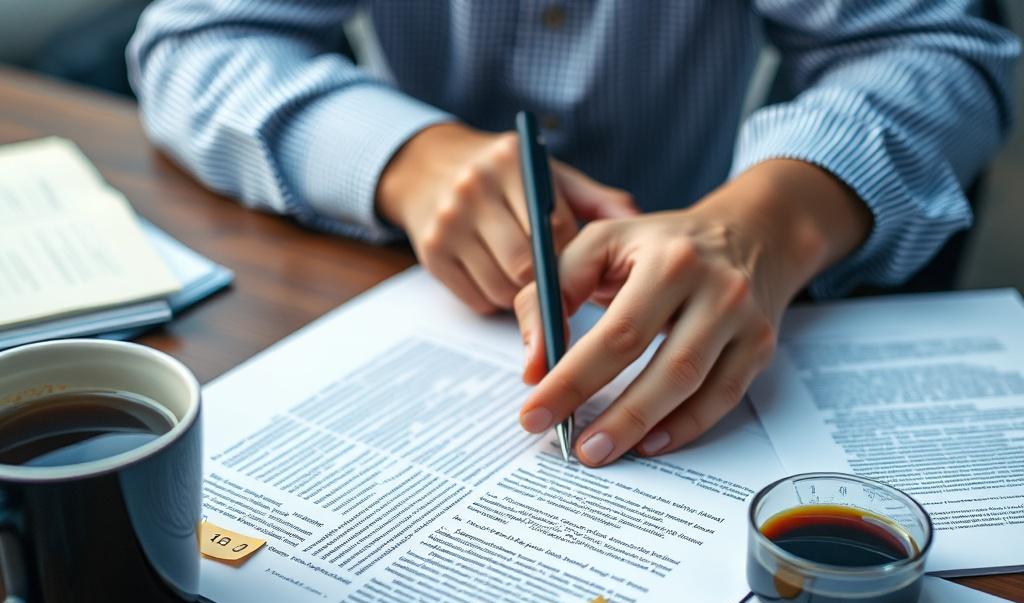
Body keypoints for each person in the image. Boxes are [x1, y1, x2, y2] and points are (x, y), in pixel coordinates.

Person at [128, 1, 1019, 467]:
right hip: (416, 284)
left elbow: (941, 49)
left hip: (726, 271)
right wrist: (404, 158)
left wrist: (773, 220)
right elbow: (196, 39)